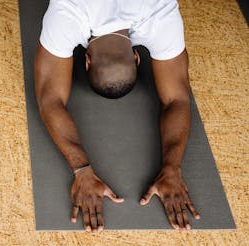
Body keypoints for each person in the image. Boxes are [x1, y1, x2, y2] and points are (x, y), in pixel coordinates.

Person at [34, 0, 200, 233]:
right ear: (137, 58)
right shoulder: (68, 11)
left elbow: (50, 100)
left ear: (87, 61)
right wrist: (172, 166)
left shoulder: (160, 12)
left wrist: (173, 167)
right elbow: (177, 99)